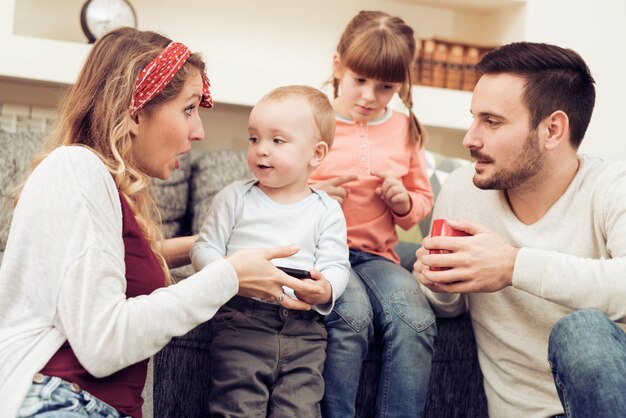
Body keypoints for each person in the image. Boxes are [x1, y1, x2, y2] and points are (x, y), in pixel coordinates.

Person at [0, 28, 323, 418]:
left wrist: (228, 240)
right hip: (60, 400)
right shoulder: (76, 168)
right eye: (189, 109)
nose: (199, 130)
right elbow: (104, 344)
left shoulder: (103, 189)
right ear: (136, 112)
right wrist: (229, 276)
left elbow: (119, 264)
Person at [414, 42, 626, 417]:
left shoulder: (611, 187)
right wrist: (435, 282)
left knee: (583, 332)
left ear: (553, 130)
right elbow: (447, 309)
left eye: (492, 122)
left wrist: (513, 266)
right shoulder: (464, 190)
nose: (470, 139)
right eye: (473, 118)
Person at [190, 85, 350, 417]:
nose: (261, 150)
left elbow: (336, 264)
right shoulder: (235, 197)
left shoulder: (327, 210)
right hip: (242, 319)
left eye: (277, 141)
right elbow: (204, 246)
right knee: (237, 406)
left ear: (316, 154)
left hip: (305, 329)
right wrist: (227, 273)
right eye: (254, 139)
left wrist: (327, 289)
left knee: (300, 410)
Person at [309, 11, 436, 418]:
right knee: (351, 319)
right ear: (337, 67)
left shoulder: (405, 130)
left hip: (379, 257)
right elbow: (270, 189)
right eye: (359, 80)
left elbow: (419, 204)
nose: (368, 96)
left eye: (384, 87)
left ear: (400, 85)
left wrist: (402, 201)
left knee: (416, 321)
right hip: (321, 254)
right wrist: (312, 194)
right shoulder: (310, 118)